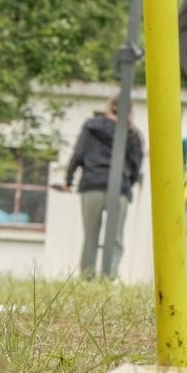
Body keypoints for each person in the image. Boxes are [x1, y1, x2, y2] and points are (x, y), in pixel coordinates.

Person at [61, 97, 143, 277]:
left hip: (92, 185)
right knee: (115, 238)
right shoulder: (133, 134)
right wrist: (128, 183)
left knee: (90, 235)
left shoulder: (91, 126)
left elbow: (78, 154)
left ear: (108, 107)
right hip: (119, 188)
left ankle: (88, 276)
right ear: (129, 111)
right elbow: (136, 166)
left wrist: (68, 180)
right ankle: (110, 275)